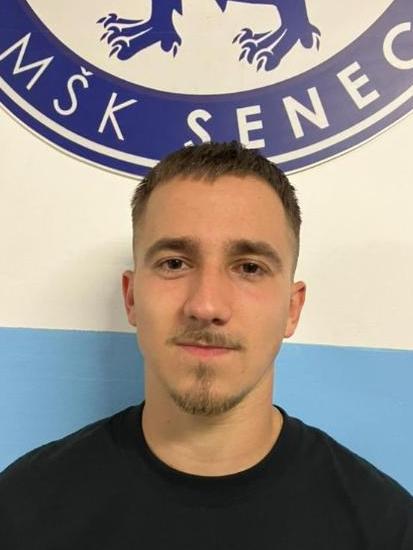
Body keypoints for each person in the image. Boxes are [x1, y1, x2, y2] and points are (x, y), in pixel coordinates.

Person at [0, 141, 412, 549]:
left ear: (292, 308)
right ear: (131, 298)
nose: (206, 306)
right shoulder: (21, 509)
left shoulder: (387, 528)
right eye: (174, 263)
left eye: (249, 267)